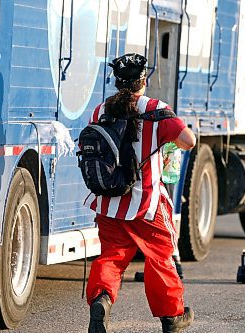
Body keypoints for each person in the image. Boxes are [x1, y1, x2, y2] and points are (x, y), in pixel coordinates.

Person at [84, 53, 196, 333]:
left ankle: (102, 299)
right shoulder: (156, 108)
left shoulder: (100, 110)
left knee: (112, 255)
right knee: (160, 256)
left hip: (108, 202)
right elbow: (188, 141)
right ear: (143, 80)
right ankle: (172, 317)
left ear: (117, 81)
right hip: (145, 202)